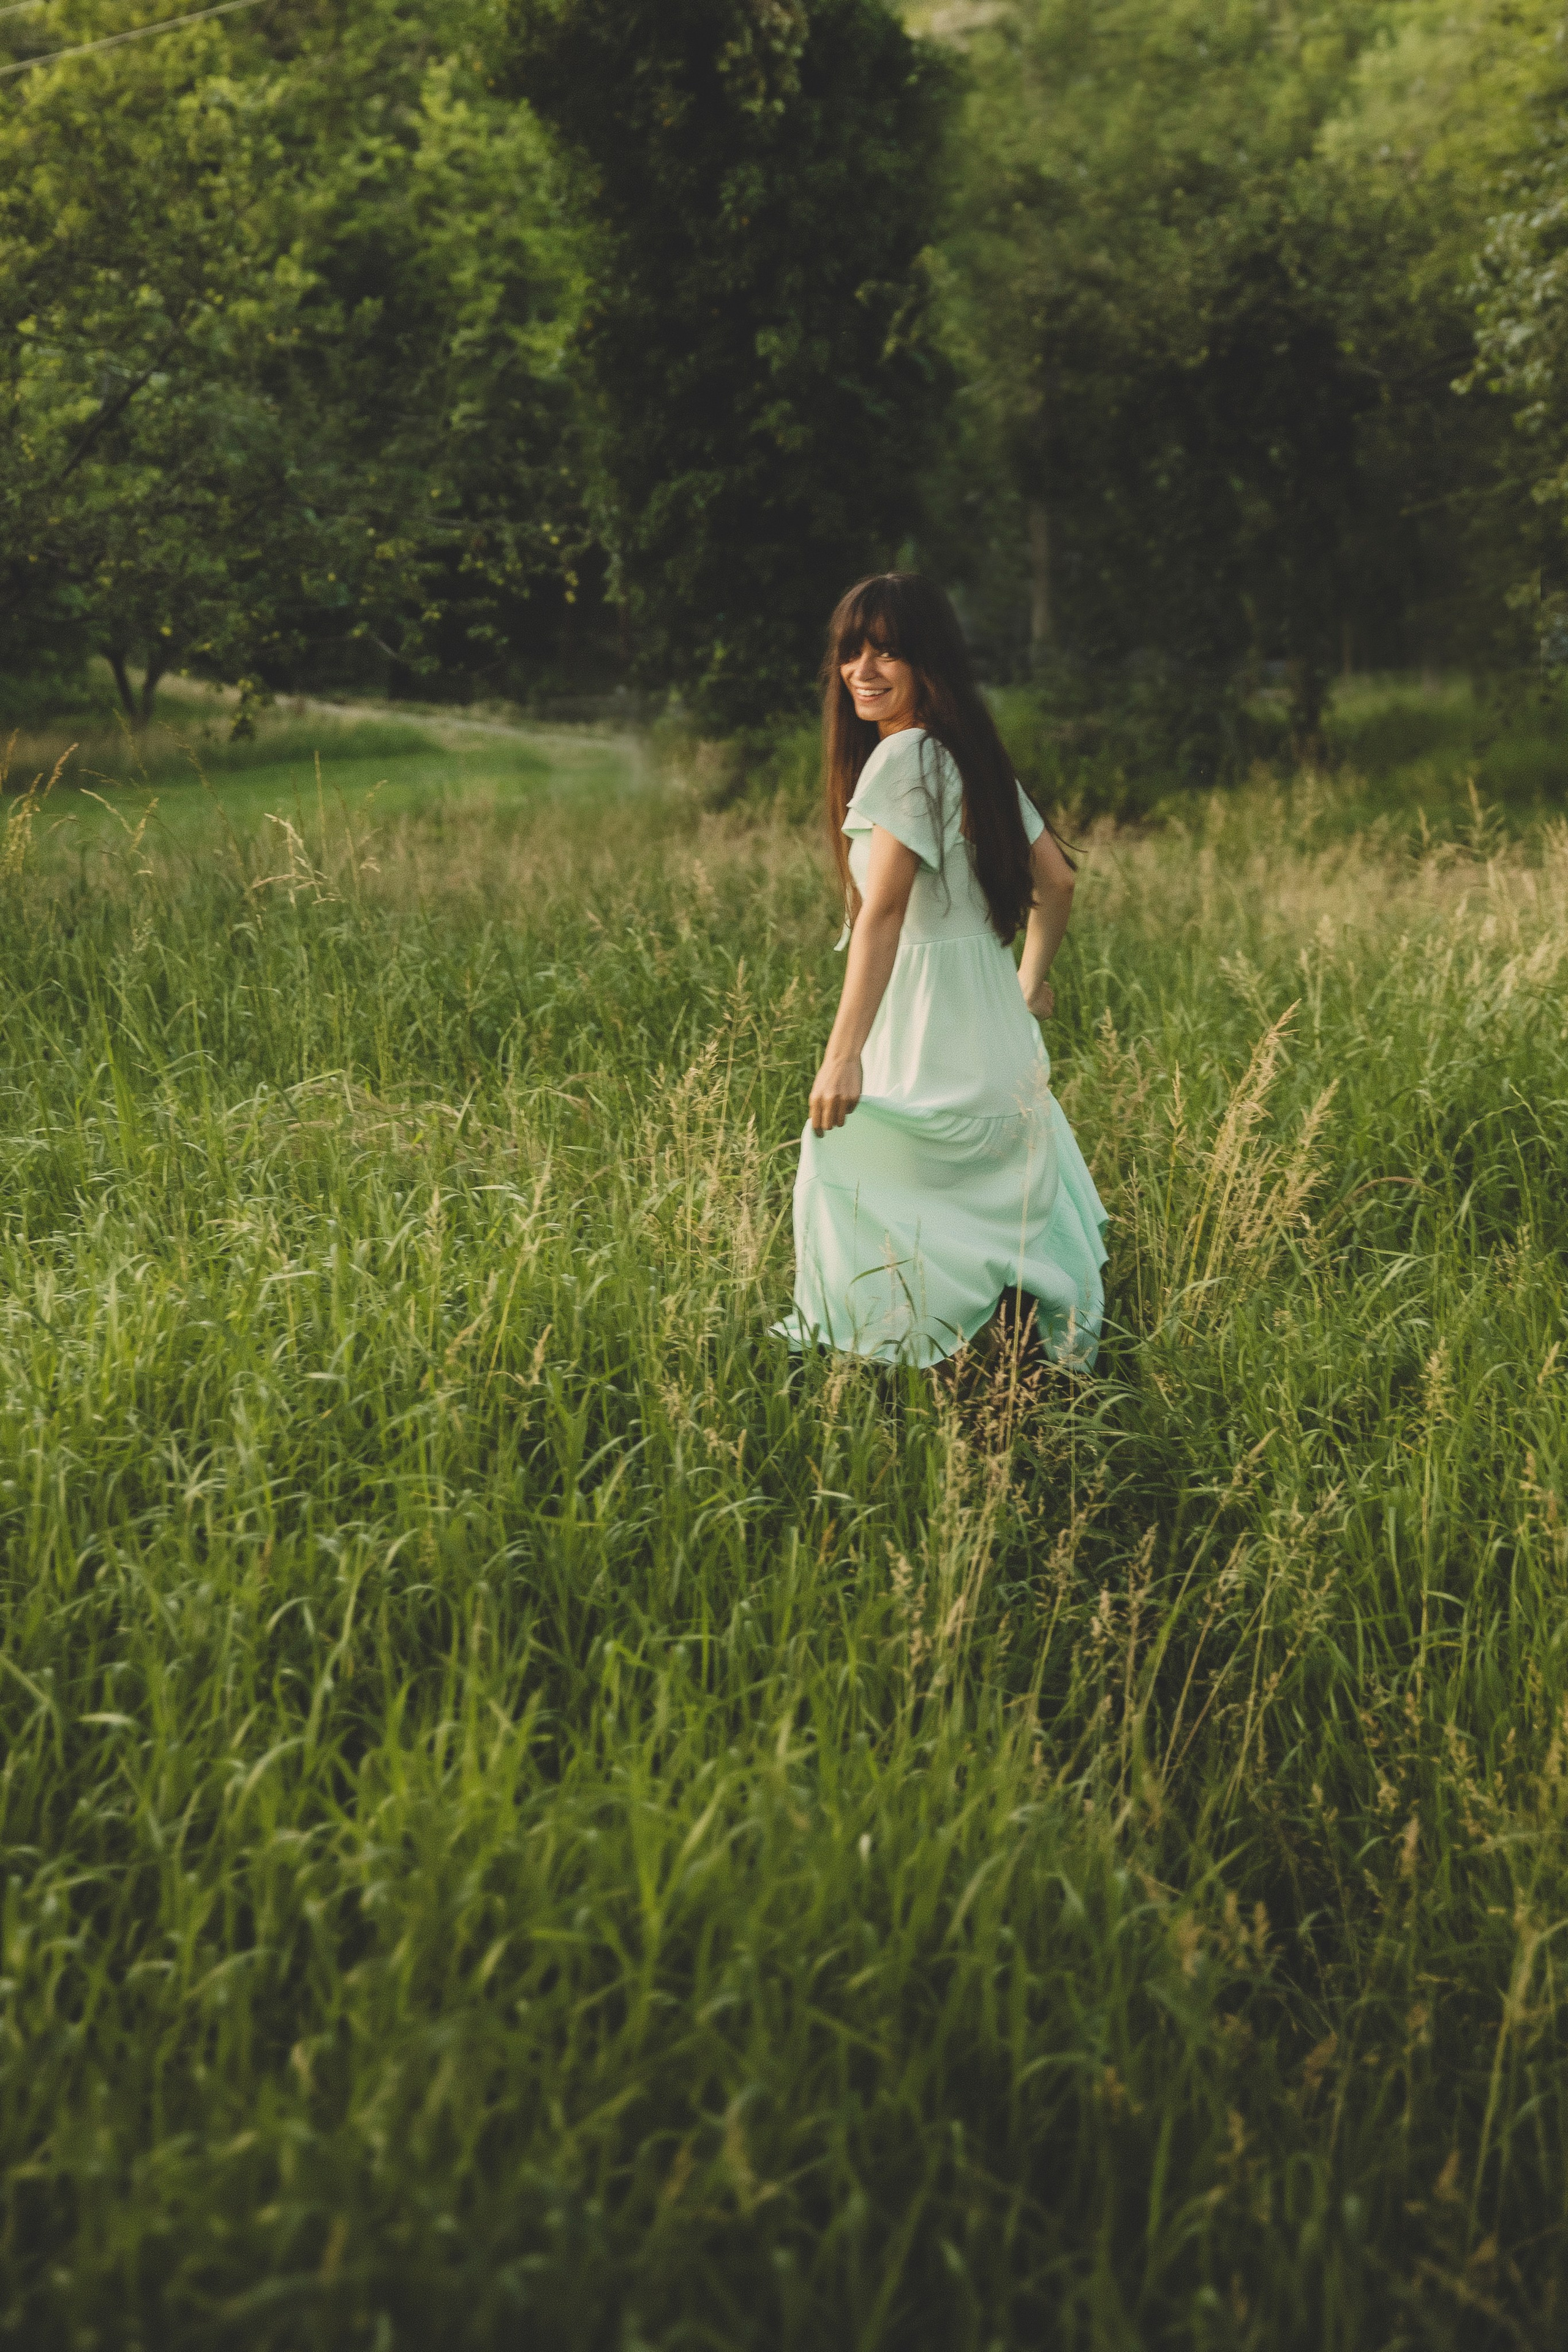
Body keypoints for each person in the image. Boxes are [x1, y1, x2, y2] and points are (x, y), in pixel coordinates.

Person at [775, 572, 1107, 1370]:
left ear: (931, 662)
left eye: (887, 652)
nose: (863, 670)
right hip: (993, 1027)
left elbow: (884, 914)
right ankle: (1004, 1359)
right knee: (986, 1198)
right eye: (851, 653)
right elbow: (1057, 879)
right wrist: (1027, 983)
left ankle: (897, 1356)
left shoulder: (904, 758)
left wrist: (842, 1051)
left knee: (840, 1172)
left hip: (926, 1025)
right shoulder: (967, 754)